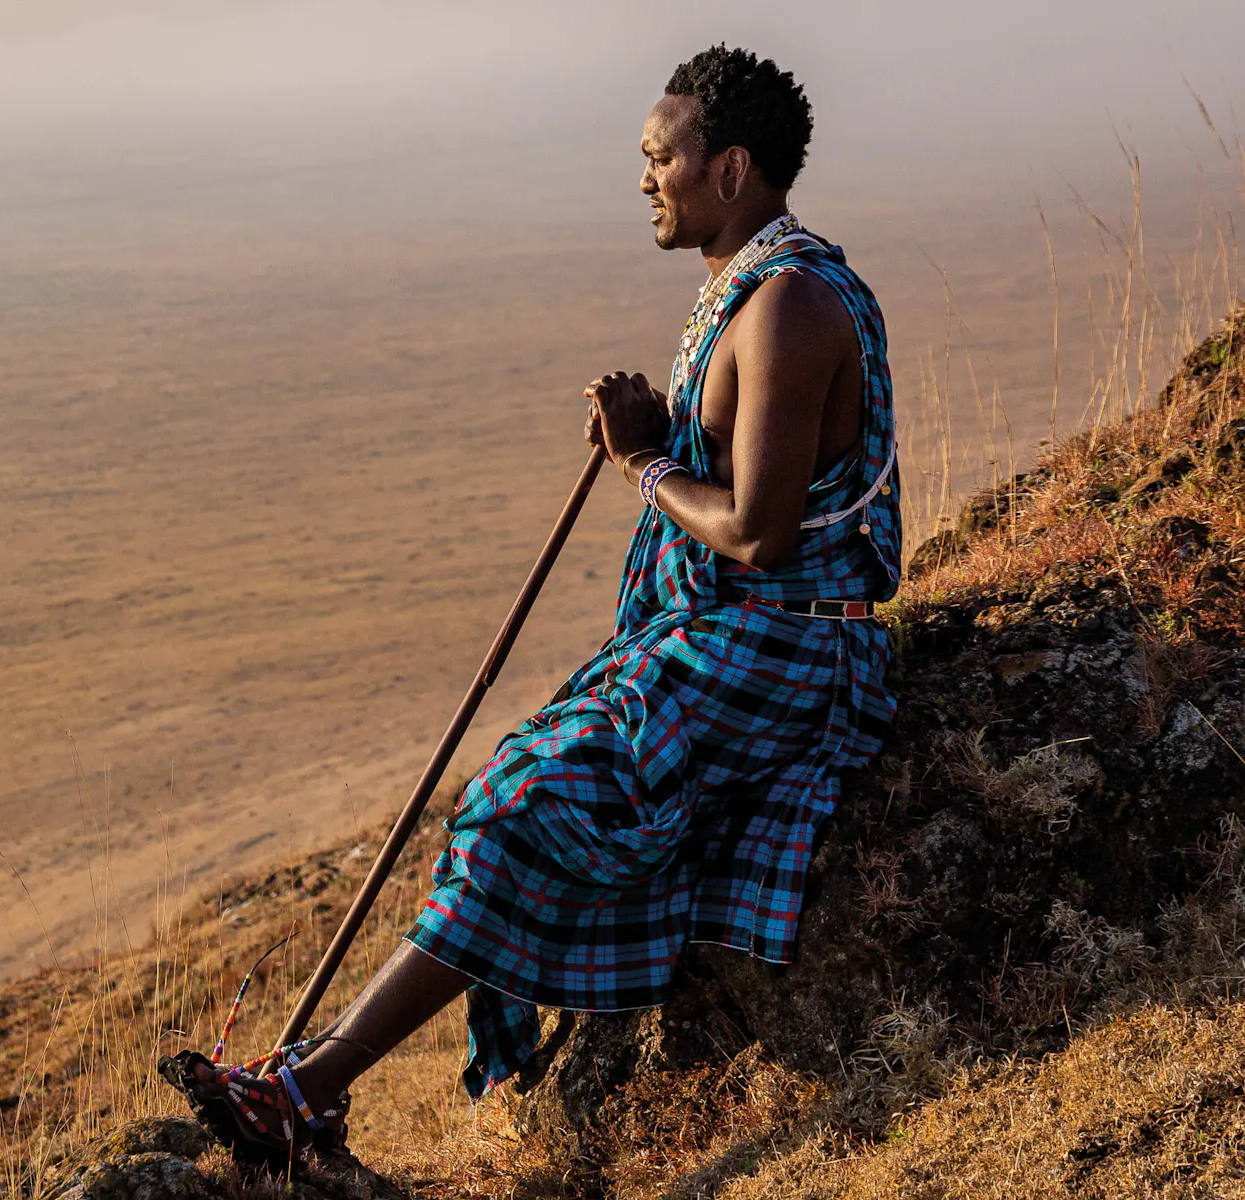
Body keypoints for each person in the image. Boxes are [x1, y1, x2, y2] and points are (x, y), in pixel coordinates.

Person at [164, 44, 901, 1162]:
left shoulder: (790, 307)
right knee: (506, 786)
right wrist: (659, 433)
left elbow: (758, 533)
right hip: (722, 641)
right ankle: (311, 1090)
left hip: (788, 651)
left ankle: (303, 1095)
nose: (644, 177)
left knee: (524, 810)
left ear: (731, 169)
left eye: (661, 157)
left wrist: (643, 465)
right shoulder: (743, 293)